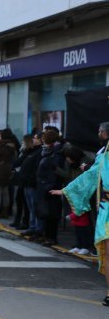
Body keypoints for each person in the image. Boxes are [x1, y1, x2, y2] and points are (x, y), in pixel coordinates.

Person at [50, 122, 109, 306]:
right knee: (107, 253)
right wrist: (68, 190)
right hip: (107, 211)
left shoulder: (103, 156)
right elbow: (90, 176)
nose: (99, 134)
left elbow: (90, 175)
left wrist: (67, 190)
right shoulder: (103, 156)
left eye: (100, 131)